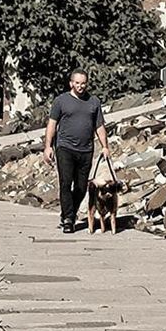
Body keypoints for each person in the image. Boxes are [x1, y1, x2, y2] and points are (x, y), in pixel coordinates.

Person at [43, 69, 110, 233]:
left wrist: (105, 146)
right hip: (64, 147)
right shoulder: (61, 101)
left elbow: (99, 126)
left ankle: (68, 211)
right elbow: (52, 124)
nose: (80, 86)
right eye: (77, 83)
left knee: (81, 187)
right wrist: (47, 146)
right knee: (66, 183)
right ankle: (68, 219)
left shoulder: (93, 102)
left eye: (83, 83)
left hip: (86, 149)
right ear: (71, 83)